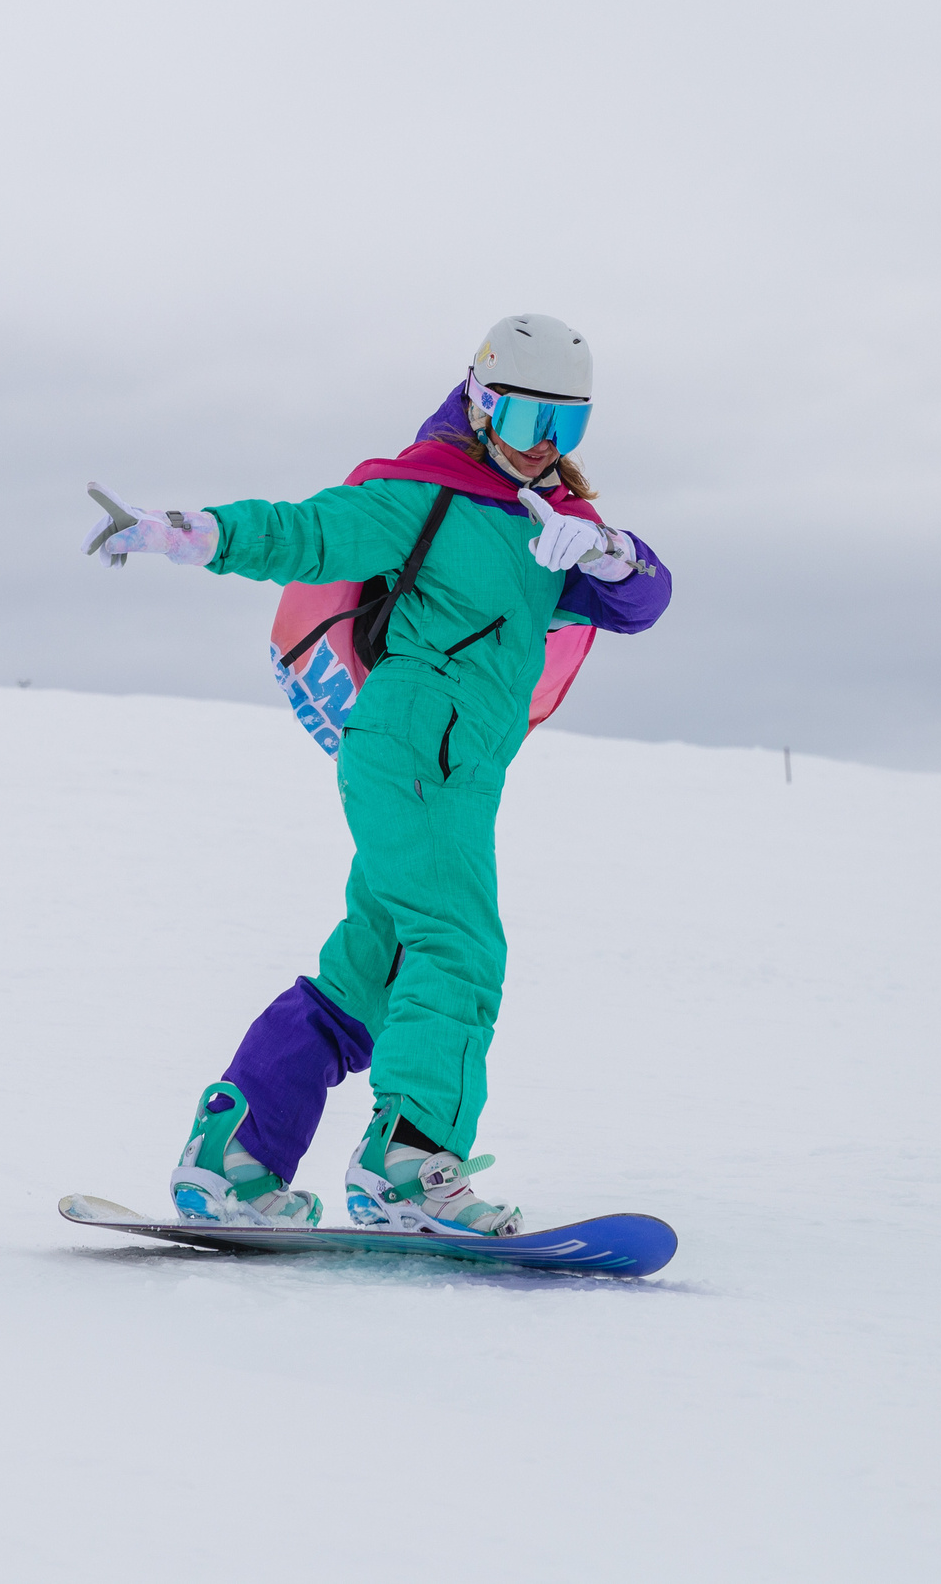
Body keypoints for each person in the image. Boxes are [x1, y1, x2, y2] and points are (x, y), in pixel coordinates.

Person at [84, 314, 672, 1238]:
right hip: (416, 744)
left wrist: (609, 551)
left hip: (458, 765)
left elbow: (645, 603)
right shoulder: (429, 496)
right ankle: (410, 1160)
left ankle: (236, 1158)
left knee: (375, 959)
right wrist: (188, 533)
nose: (542, 450)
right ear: (480, 406)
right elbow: (308, 534)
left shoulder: (556, 529)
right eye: (525, 423)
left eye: (567, 429)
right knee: (460, 947)